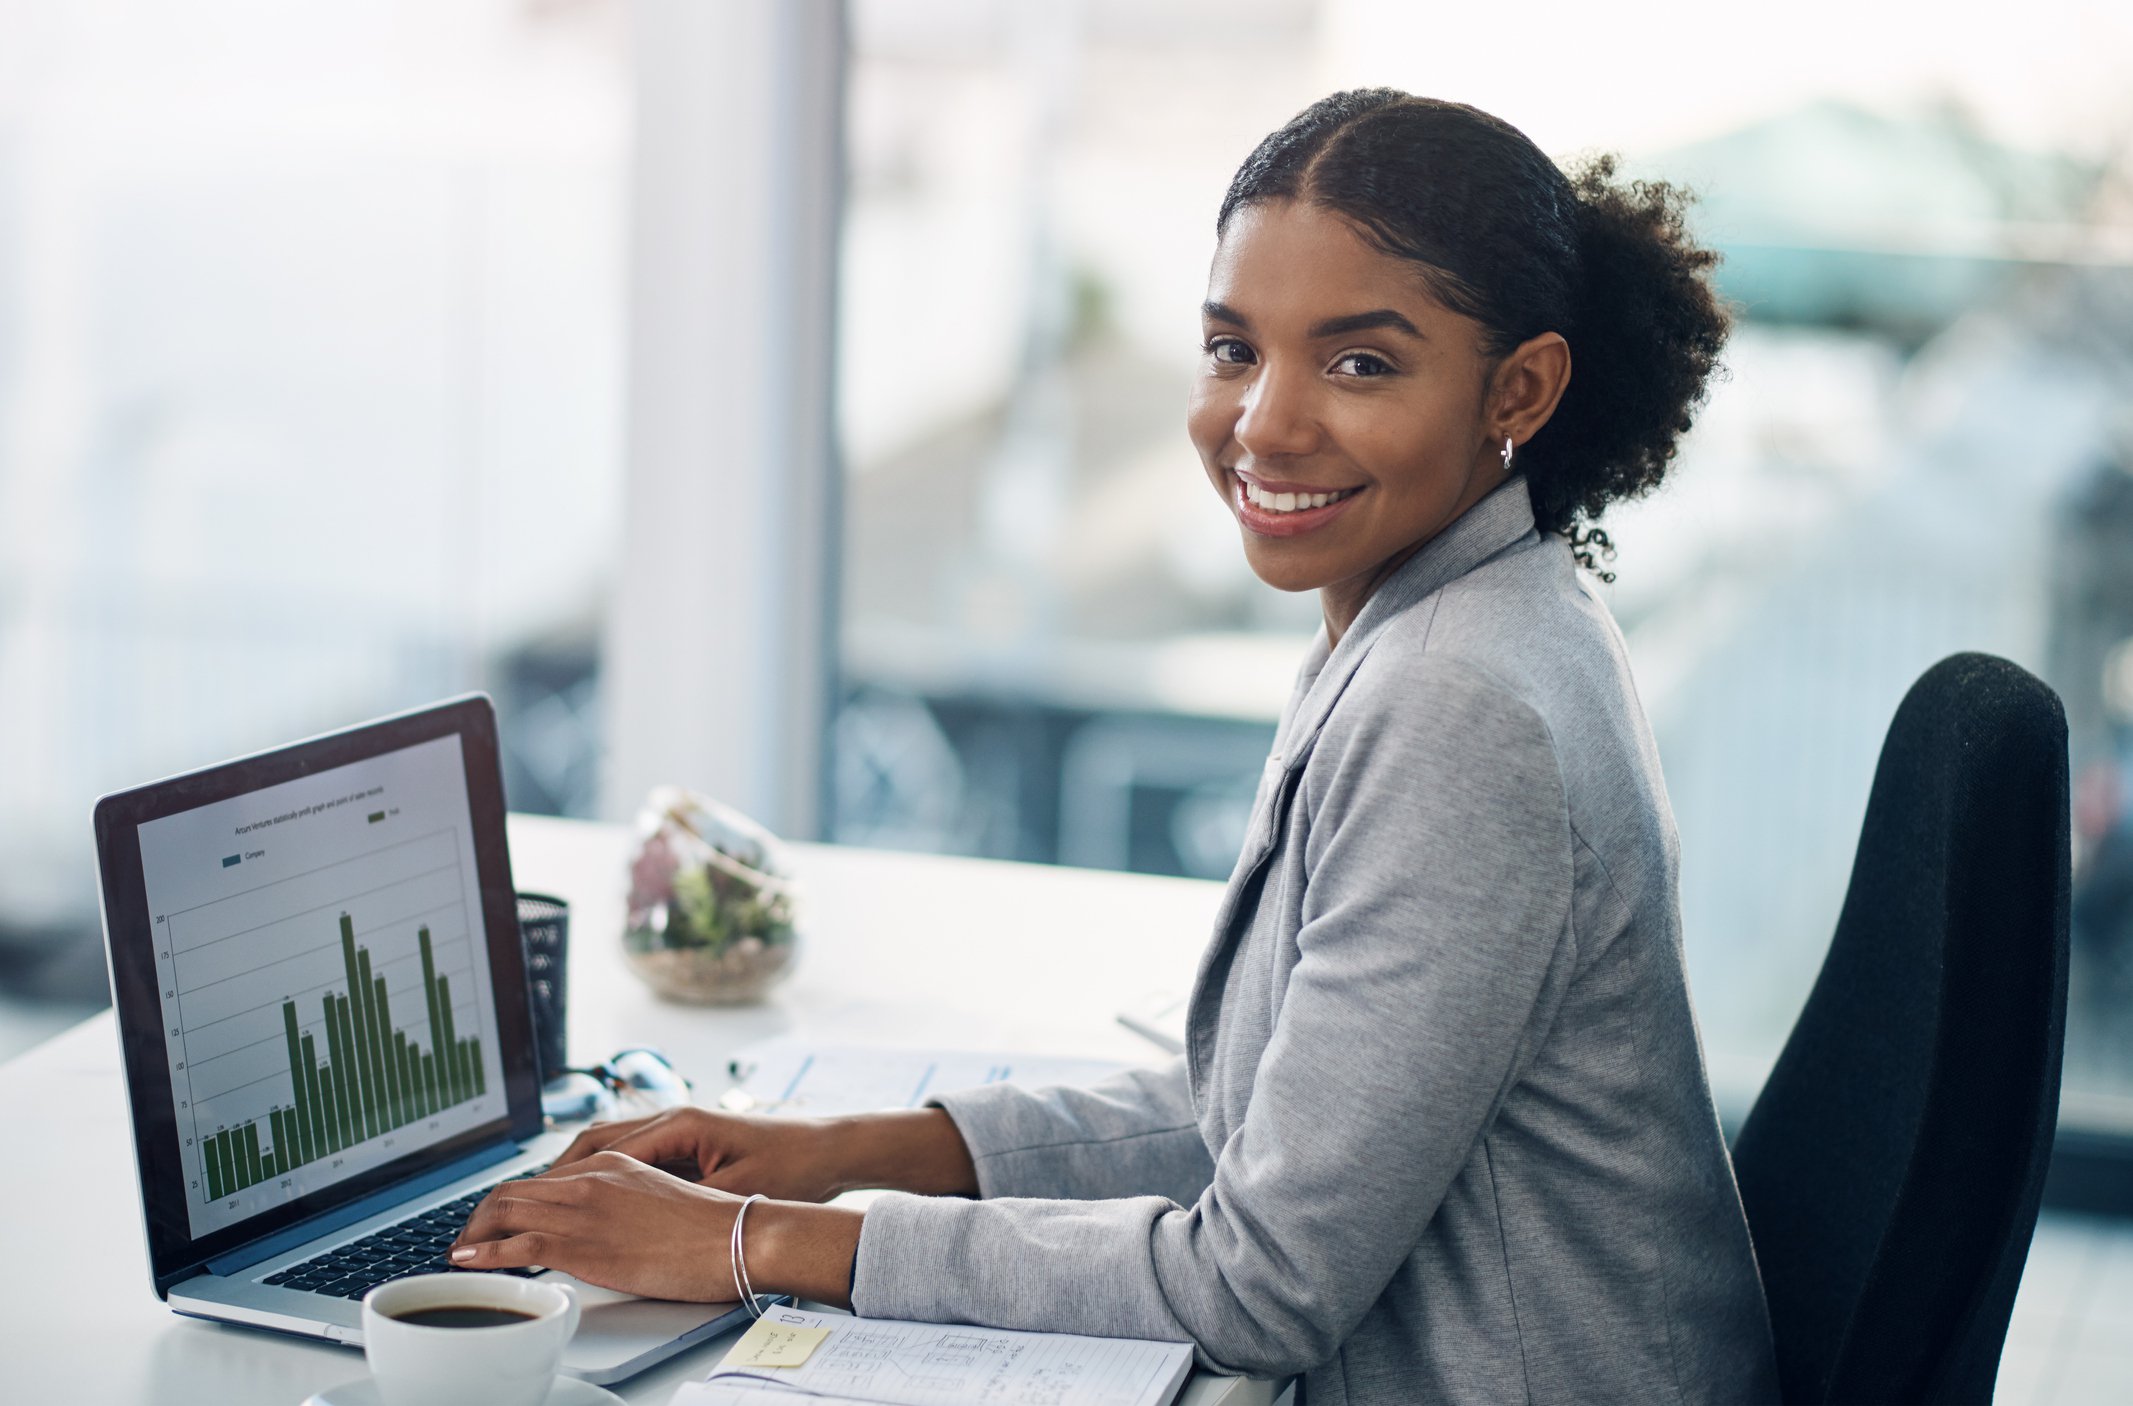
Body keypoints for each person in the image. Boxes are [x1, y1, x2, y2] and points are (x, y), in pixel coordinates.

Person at [453, 90, 1781, 1403]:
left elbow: (1258, 1283)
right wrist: (817, 1151)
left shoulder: (1458, 702)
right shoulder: (1462, 611)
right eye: (1230, 348)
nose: (1264, 422)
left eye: (1358, 362)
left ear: (1521, 387)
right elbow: (1249, 1109)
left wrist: (754, 1247)